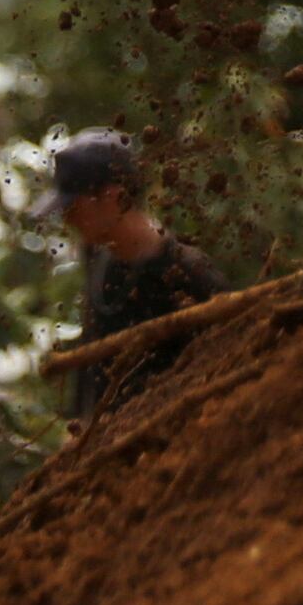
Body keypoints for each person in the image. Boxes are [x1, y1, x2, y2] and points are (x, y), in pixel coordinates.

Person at [47, 133, 223, 418]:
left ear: (113, 197)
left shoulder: (189, 274)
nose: (67, 219)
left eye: (73, 207)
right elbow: (92, 353)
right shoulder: (98, 258)